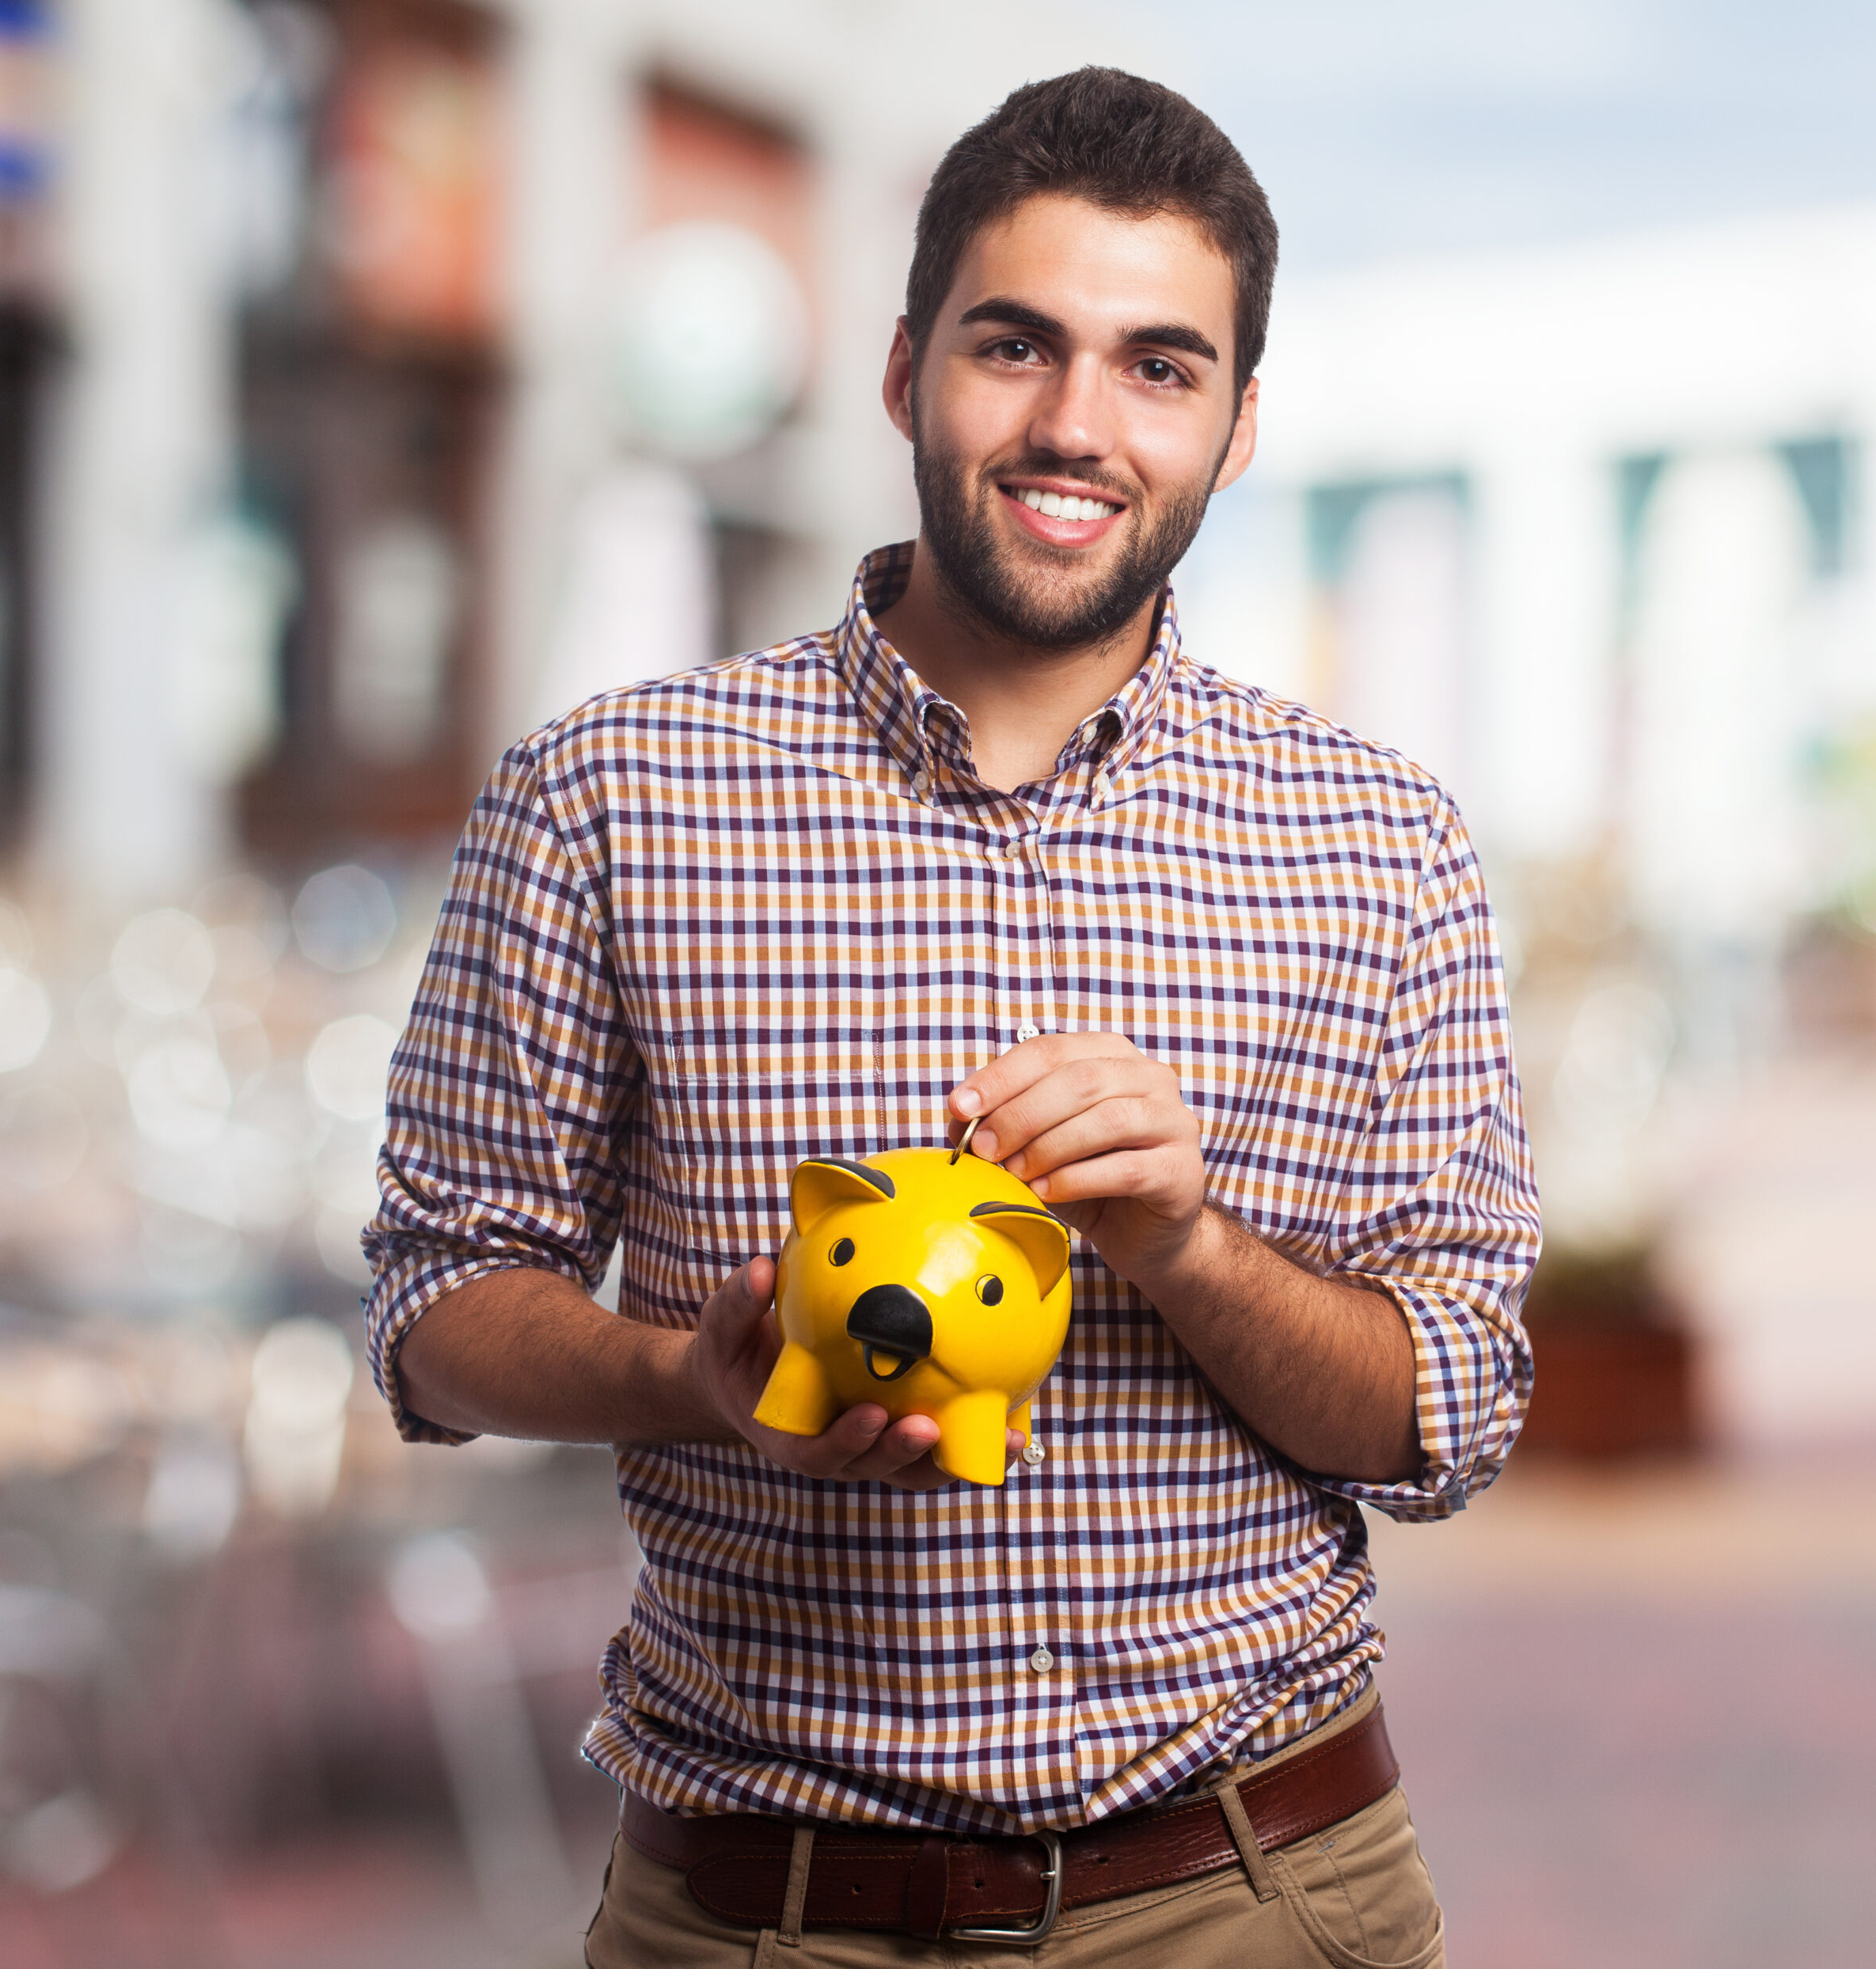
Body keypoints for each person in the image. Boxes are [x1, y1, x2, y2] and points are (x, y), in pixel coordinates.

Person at [365, 66, 1537, 1969]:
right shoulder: (609, 792)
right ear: (905, 368)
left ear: (1237, 429)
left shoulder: (1373, 838)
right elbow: (433, 1308)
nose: (1075, 424)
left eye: (1159, 367)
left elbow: (1449, 1412)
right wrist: (688, 1383)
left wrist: (1189, 1243)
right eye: (1017, 345)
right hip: (761, 1908)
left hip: (1248, 1891)